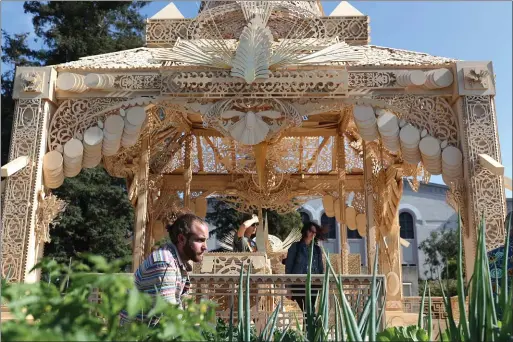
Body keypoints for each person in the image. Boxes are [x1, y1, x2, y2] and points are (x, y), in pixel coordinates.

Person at [120, 213, 209, 325]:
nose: (205, 247)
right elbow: (170, 314)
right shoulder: (165, 263)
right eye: (200, 240)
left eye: (206, 240)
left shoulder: (175, 261)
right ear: (181, 239)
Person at [284, 221, 324, 312]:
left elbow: (321, 268)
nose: (312, 234)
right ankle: (311, 326)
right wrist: (288, 289)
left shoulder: (317, 249)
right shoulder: (295, 247)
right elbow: (288, 268)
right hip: (298, 284)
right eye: (310, 231)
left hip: (314, 285)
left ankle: (309, 326)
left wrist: (322, 286)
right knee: (307, 310)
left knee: (309, 311)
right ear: (305, 231)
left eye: (314, 232)